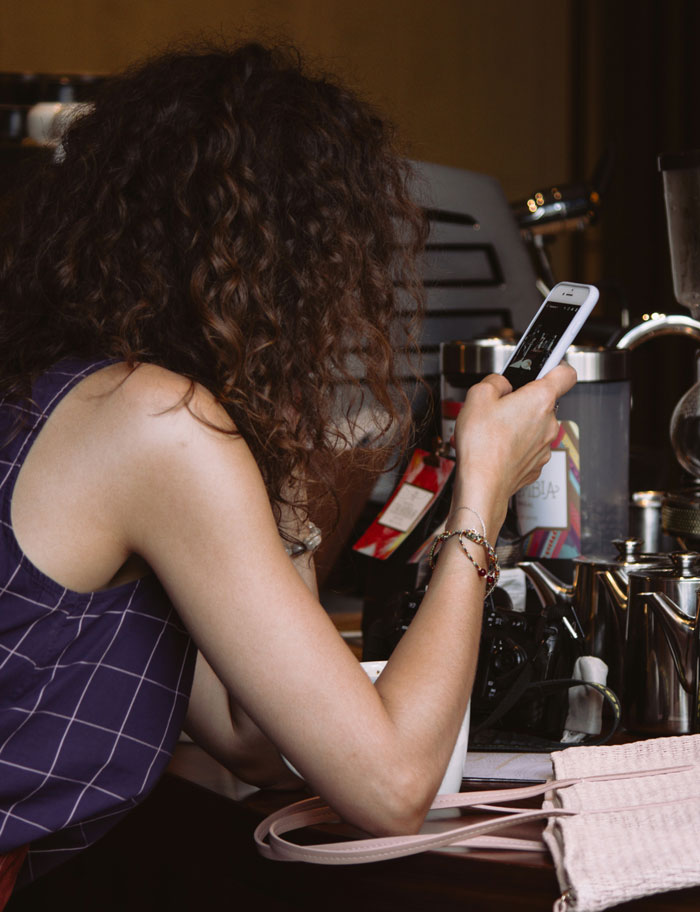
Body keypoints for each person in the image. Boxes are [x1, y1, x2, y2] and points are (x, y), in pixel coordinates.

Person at [0, 41, 576, 899]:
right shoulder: (156, 423)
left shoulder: (76, 394)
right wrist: (482, 491)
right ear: (279, 264)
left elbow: (252, 739)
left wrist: (282, 449)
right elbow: (389, 788)